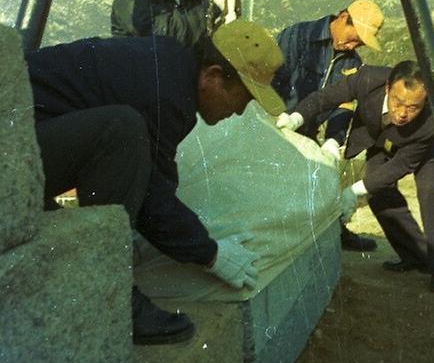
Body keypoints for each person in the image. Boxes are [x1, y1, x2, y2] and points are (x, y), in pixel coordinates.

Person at [26, 20, 286, 344]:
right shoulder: (167, 91)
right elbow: (153, 195)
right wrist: (210, 253)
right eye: (243, 99)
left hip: (28, 137)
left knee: (125, 137)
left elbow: (153, 174)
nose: (238, 111)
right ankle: (112, 297)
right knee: (122, 130)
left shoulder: (171, 67)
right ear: (213, 77)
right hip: (12, 149)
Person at [277, 60, 434, 293]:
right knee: (379, 193)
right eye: (398, 102)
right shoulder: (368, 78)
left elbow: (401, 165)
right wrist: (296, 117)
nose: (402, 113)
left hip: (422, 147)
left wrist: (354, 191)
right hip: (381, 139)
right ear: (388, 87)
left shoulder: (432, 120)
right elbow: (325, 98)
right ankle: (415, 256)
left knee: (429, 190)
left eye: (413, 108)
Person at [273, 0, 384, 252]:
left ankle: (335, 231)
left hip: (308, 132)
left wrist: (334, 140)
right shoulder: (298, 36)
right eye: (354, 38)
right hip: (279, 123)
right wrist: (277, 117)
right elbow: (272, 79)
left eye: (360, 43)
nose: (353, 45)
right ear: (343, 17)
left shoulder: (352, 63)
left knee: (322, 180)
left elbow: (344, 105)